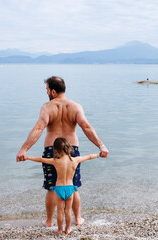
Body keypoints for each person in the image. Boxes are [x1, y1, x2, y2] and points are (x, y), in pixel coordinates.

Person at [16, 76, 109, 227]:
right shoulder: (75, 106)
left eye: (46, 90)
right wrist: (101, 146)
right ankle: (78, 219)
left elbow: (39, 128)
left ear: (53, 91)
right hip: (72, 150)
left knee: (52, 186)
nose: (46, 92)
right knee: (73, 186)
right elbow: (86, 127)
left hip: (52, 150)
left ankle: (49, 221)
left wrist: (24, 149)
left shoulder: (47, 107)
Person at [23, 137, 101, 234]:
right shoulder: (75, 160)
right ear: (68, 148)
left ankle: (60, 230)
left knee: (60, 211)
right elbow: (89, 156)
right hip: (70, 189)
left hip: (59, 189)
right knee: (68, 211)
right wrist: (98, 155)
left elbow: (40, 159)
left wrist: (27, 157)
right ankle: (67, 229)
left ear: (56, 150)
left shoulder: (55, 161)